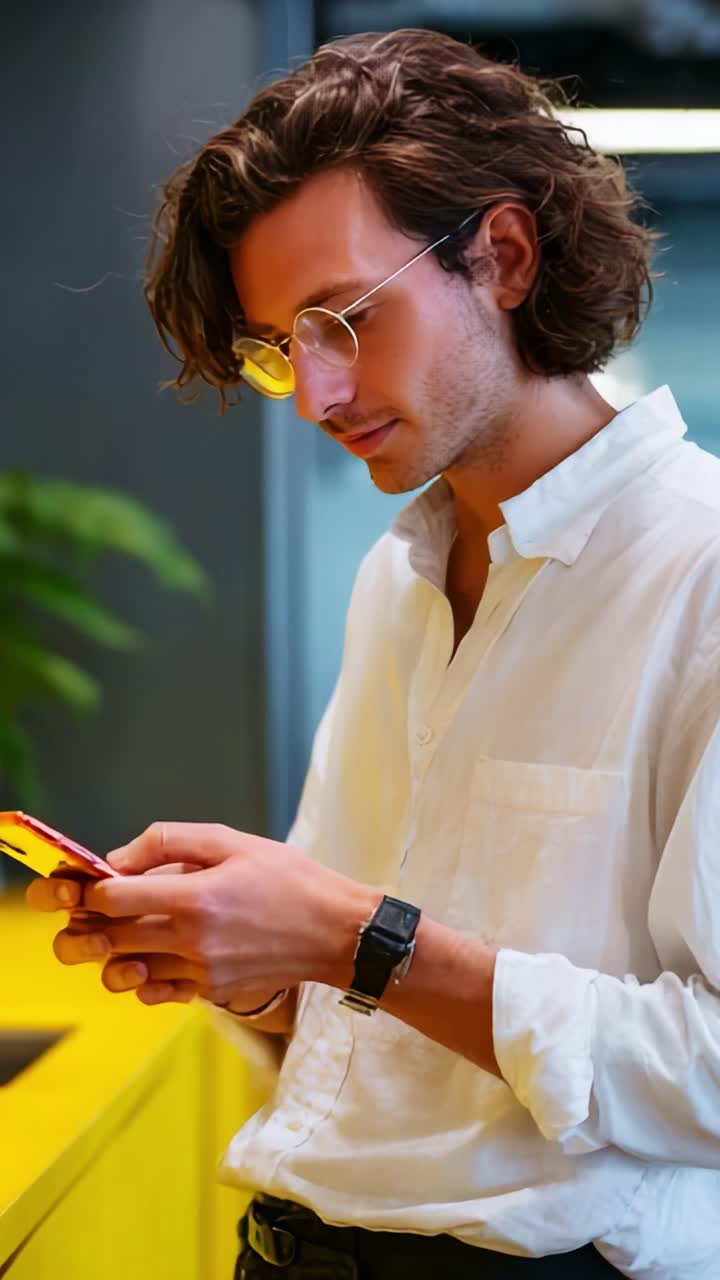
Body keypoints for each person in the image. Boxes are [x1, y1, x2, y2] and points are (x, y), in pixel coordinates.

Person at [27, 26, 720, 1280]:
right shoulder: (396, 577)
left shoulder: (702, 568)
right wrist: (240, 957)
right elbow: (364, 1010)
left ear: (502, 256)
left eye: (342, 318)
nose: (313, 392)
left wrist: (356, 935)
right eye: (277, 345)